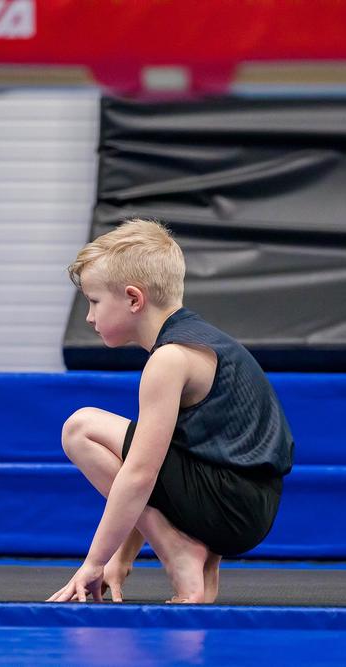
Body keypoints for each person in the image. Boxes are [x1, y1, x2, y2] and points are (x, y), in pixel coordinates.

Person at [46, 219, 294, 604]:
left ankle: (180, 553)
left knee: (80, 429)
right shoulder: (199, 340)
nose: (90, 317)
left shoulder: (169, 359)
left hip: (229, 503)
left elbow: (140, 475)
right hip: (247, 504)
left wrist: (95, 562)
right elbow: (154, 468)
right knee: (136, 450)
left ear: (133, 299)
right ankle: (200, 560)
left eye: (94, 301)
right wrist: (121, 559)